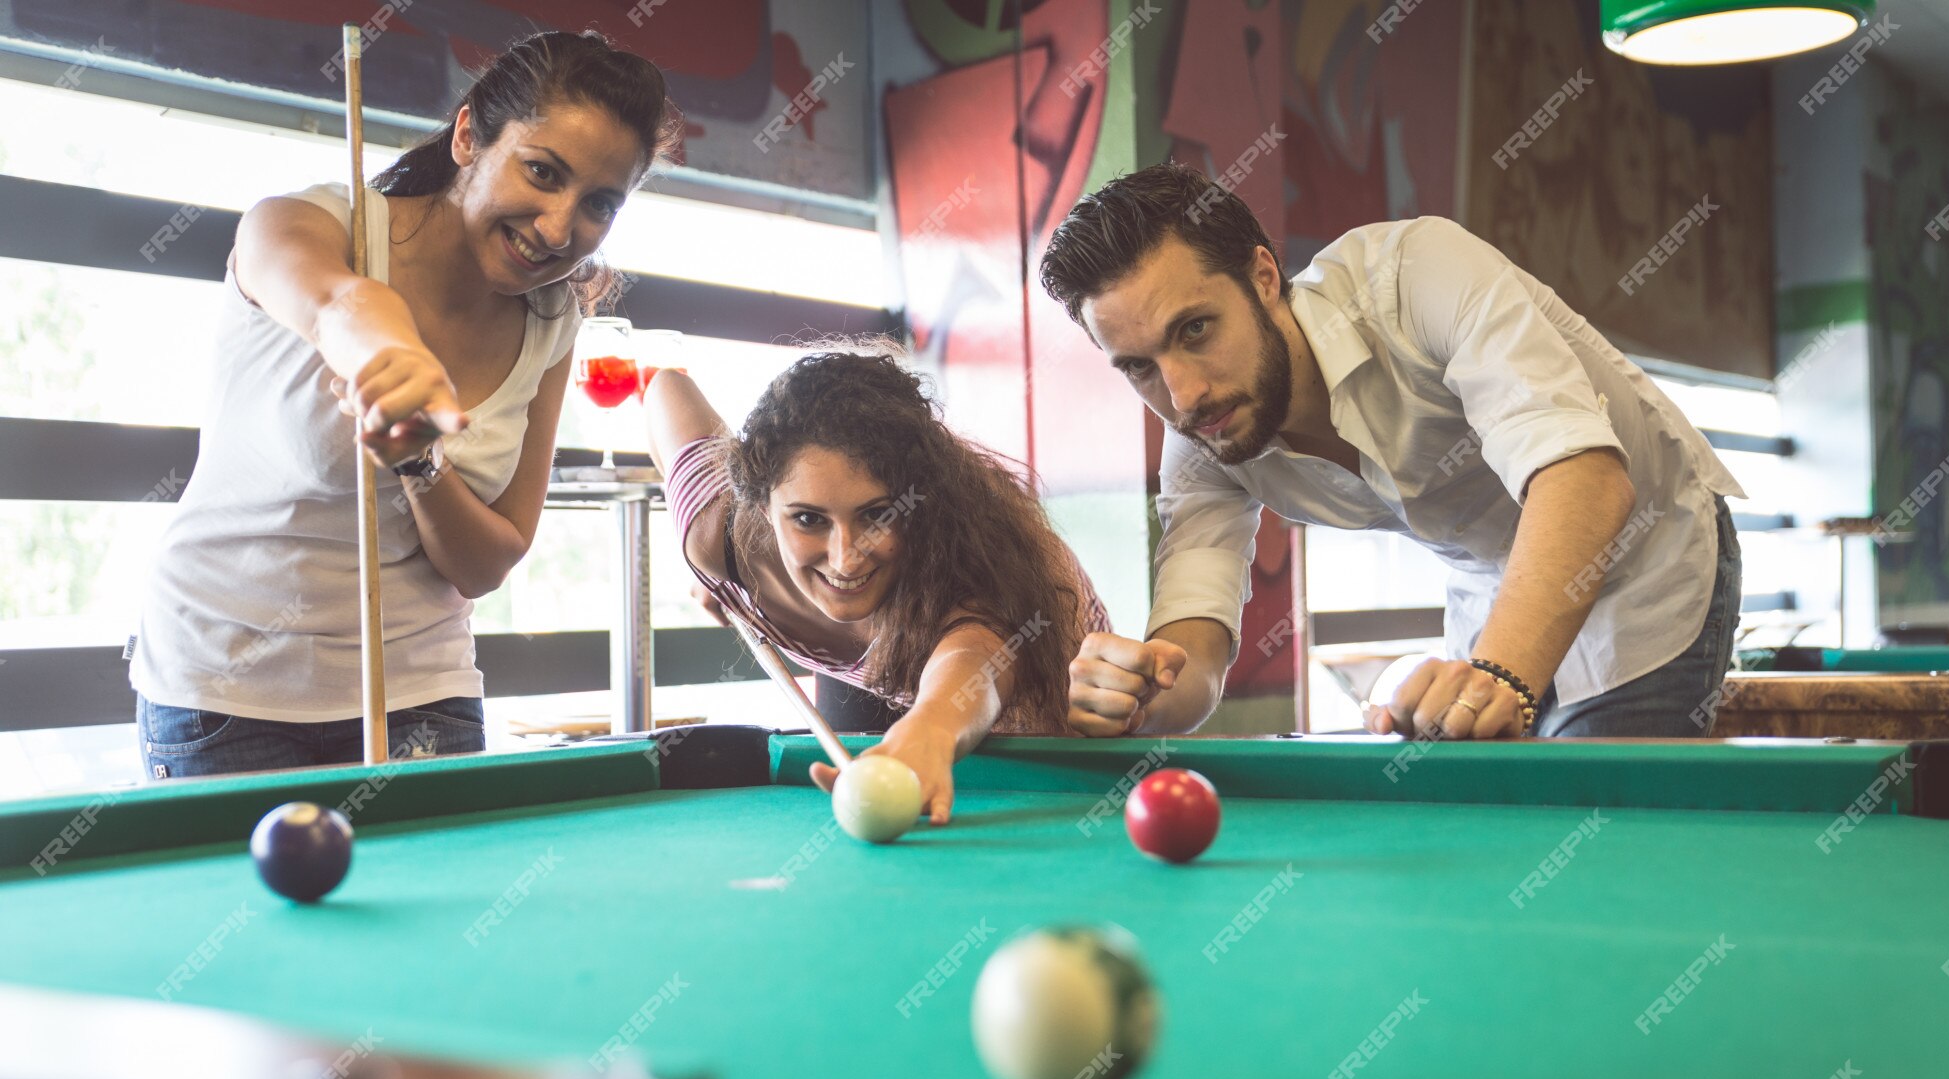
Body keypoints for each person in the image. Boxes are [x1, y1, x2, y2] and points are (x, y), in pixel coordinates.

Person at [131, 32, 680, 778]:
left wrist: (422, 463)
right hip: (225, 688)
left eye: (599, 204)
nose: (559, 228)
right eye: (542, 172)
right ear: (467, 136)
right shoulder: (307, 225)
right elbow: (338, 304)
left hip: (422, 690)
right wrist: (396, 360)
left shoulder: (555, 319)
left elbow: (487, 561)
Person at [1039, 162, 1744, 741]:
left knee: (1589, 832)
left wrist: (1497, 678)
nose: (1183, 394)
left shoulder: (1419, 276)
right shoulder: (1203, 432)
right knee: (1497, 831)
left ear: (1261, 278)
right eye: (1138, 366)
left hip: (1649, 557)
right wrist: (1138, 697)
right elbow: (1192, 649)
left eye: (1195, 329)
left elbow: (1585, 480)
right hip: (1497, 592)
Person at [644, 348, 1111, 824]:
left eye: (877, 515)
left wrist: (930, 729)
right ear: (763, 508)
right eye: (808, 519)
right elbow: (665, 388)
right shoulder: (715, 534)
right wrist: (699, 565)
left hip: (1049, 674)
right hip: (876, 678)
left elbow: (974, 664)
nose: (846, 557)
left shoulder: (969, 575)